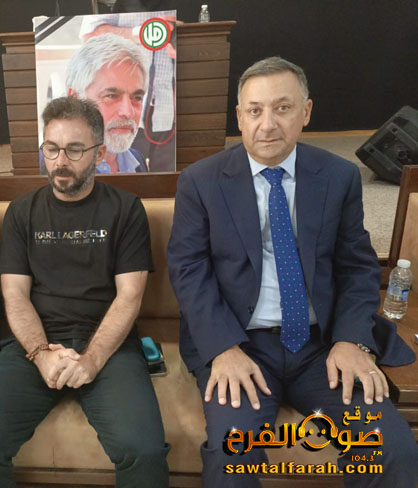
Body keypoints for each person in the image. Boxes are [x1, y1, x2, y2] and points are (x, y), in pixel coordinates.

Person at [167, 57, 418, 487]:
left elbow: (357, 266)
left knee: (391, 450)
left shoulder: (338, 176)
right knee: (231, 455)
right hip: (241, 343)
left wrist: (351, 339)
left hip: (322, 346)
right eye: (255, 110)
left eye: (282, 108)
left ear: (306, 112)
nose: (267, 124)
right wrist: (223, 348)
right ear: (240, 117)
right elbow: (189, 270)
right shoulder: (201, 182)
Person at [0, 96, 170, 487]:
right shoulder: (22, 212)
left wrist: (91, 360)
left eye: (74, 150)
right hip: (34, 345)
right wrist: (40, 354)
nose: (60, 161)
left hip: (108, 346)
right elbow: (15, 295)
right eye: (51, 149)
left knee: (144, 450)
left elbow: (129, 296)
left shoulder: (125, 210)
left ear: (100, 153)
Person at [79, 9, 177, 173]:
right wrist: (141, 33)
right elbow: (89, 35)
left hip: (169, 114)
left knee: (166, 183)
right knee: (126, 179)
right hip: (126, 117)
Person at [64, 33, 151, 173]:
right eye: (111, 96)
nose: (128, 112)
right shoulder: (51, 167)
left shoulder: (137, 160)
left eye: (137, 98)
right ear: (75, 101)